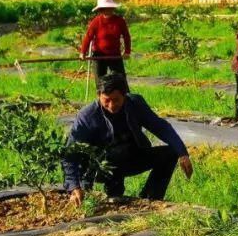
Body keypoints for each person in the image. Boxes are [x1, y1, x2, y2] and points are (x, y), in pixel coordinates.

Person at [62, 72, 193, 204]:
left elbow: (160, 127)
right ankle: (113, 193)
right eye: (106, 100)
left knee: (170, 153)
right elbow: (70, 154)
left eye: (116, 100)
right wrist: (74, 186)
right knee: (113, 174)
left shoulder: (135, 104)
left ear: (124, 95)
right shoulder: (87, 116)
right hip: (98, 167)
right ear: (98, 96)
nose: (111, 105)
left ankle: (151, 199)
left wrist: (182, 152)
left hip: (130, 157)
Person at [81, 0, 131, 84]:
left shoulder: (119, 21)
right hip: (99, 55)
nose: (107, 10)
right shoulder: (96, 21)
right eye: (104, 8)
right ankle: (101, 97)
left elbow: (126, 36)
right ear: (100, 10)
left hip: (115, 55)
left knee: (120, 80)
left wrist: (127, 51)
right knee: (100, 82)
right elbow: (88, 37)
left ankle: (124, 97)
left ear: (113, 8)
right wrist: (83, 52)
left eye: (109, 8)